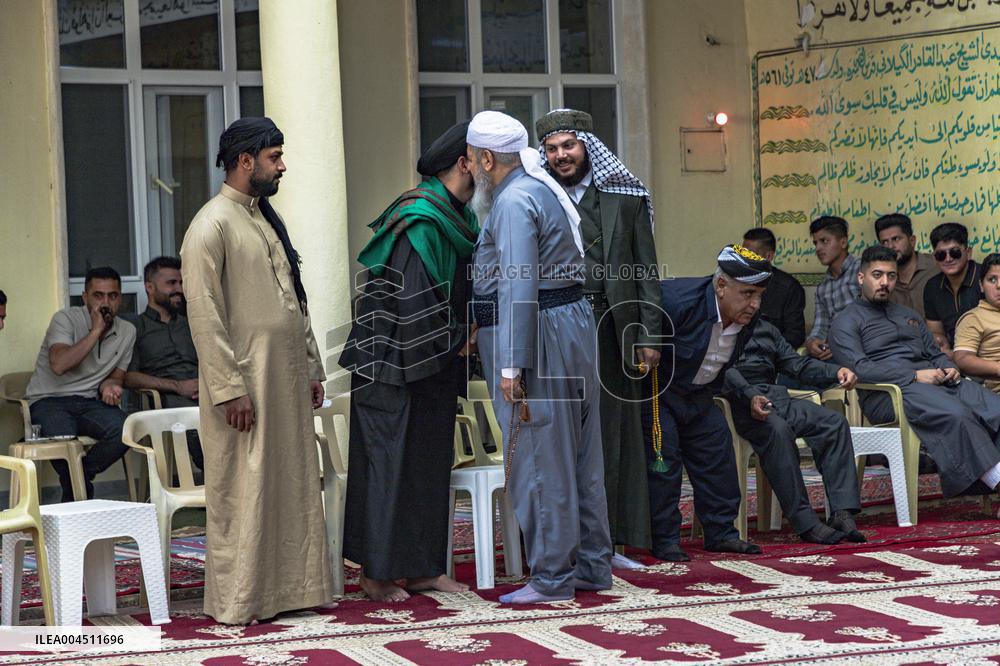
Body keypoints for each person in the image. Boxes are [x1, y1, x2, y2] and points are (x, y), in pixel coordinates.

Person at [180, 117, 334, 625]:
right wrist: (228, 389)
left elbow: (295, 304)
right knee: (245, 490)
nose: (282, 166)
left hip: (284, 380)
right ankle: (241, 599)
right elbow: (204, 316)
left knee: (291, 483)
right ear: (246, 161)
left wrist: (311, 367)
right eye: (274, 157)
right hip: (245, 383)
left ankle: (294, 589)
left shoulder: (265, 219)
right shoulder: (211, 225)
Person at [469, 110, 612, 604]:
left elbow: (518, 284)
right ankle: (591, 565)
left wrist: (512, 365)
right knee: (579, 454)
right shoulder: (542, 188)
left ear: (488, 159)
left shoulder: (513, 201)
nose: (471, 168)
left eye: (473, 159)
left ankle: (551, 578)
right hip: (570, 325)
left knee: (538, 456)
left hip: (538, 334)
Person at [339, 121, 478, 602]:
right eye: (485, 157)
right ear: (465, 163)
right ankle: (376, 573)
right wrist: (462, 340)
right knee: (389, 466)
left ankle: (421, 568)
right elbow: (412, 301)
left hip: (429, 363)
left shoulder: (455, 216)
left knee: (426, 464)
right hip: (390, 365)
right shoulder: (420, 219)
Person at [536, 108, 661, 556]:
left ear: (588, 147)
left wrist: (649, 336)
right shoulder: (540, 198)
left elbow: (645, 271)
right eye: (552, 149)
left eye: (568, 146)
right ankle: (566, 544)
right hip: (554, 330)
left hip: (612, 332)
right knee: (564, 437)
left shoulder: (623, 199)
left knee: (614, 436)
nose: (561, 155)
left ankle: (614, 542)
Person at [830, 245, 1000, 504]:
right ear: (861, 277)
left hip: (936, 383)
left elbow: (935, 353)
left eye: (891, 276)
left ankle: (988, 485)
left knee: (995, 409)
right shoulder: (846, 321)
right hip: (888, 394)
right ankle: (997, 482)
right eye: (877, 275)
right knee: (956, 414)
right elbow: (861, 368)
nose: (885, 282)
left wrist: (950, 368)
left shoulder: (908, 315)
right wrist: (914, 375)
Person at [642, 245, 768, 562]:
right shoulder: (675, 301)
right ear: (721, 285)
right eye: (748, 293)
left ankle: (721, 534)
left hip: (699, 395)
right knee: (665, 462)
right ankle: (665, 539)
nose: (754, 304)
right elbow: (638, 317)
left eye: (759, 295)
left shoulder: (747, 316)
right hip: (660, 393)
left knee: (717, 453)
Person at [723, 320, 864, 544]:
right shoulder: (716, 330)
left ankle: (842, 512)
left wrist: (836, 371)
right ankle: (805, 522)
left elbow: (797, 365)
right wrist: (749, 395)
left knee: (833, 422)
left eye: (756, 301)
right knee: (778, 430)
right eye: (746, 300)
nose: (752, 305)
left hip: (775, 398)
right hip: (739, 404)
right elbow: (723, 371)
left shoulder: (766, 329)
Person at [25, 267, 135, 501]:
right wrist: (95, 331)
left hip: (88, 402)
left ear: (120, 298)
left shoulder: (127, 331)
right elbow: (59, 364)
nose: (105, 303)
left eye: (112, 296)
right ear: (85, 297)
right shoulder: (65, 319)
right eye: (98, 296)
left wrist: (111, 385)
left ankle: (82, 475)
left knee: (128, 428)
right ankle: (80, 495)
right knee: (64, 443)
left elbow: (117, 375)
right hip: (48, 400)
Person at [124, 256, 203, 469]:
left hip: (204, 392)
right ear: (149, 287)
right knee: (196, 422)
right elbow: (129, 377)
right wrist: (178, 386)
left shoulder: (192, 324)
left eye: (181, 283)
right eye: (171, 283)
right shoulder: (135, 328)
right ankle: (213, 485)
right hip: (167, 397)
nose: (179, 289)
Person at [804, 216, 859, 361]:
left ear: (843, 242)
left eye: (824, 241)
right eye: (815, 243)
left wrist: (838, 345)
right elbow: (820, 326)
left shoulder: (862, 271)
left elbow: (871, 321)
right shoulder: (823, 287)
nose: (818, 248)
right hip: (831, 353)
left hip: (860, 351)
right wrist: (812, 343)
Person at [924, 222, 983, 357]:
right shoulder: (932, 286)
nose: (948, 259)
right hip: (953, 357)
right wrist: (940, 341)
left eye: (955, 252)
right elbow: (936, 331)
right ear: (934, 258)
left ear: (968, 252)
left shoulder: (987, 279)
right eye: (941, 255)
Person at [742, 227, 806, 349]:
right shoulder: (736, 283)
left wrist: (766, 348)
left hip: (771, 353)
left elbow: (795, 335)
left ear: (768, 256)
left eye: (749, 255)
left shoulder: (789, 288)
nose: (744, 260)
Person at [874, 213, 937, 318]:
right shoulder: (881, 280)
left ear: (912, 241)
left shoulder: (936, 266)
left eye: (896, 239)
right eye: (885, 242)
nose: (890, 246)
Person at [953, 253, 1000, 393]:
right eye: (992, 279)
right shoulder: (973, 318)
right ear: (981, 286)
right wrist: (997, 368)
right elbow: (962, 358)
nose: (999, 285)